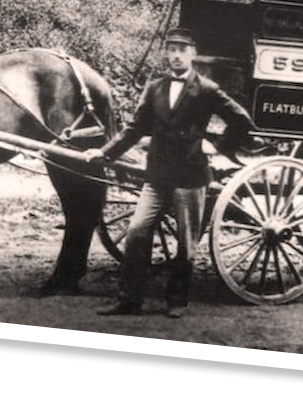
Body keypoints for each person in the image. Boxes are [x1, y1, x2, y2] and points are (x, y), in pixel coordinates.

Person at [85, 28, 255, 318]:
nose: (176, 55)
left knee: (186, 243)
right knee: (137, 232)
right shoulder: (155, 88)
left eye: (182, 50)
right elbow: (135, 129)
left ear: (192, 54)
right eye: (171, 49)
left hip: (190, 177)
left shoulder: (206, 89)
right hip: (157, 176)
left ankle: (176, 301)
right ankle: (129, 300)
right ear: (166, 53)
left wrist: (215, 145)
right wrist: (105, 153)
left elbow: (241, 120)